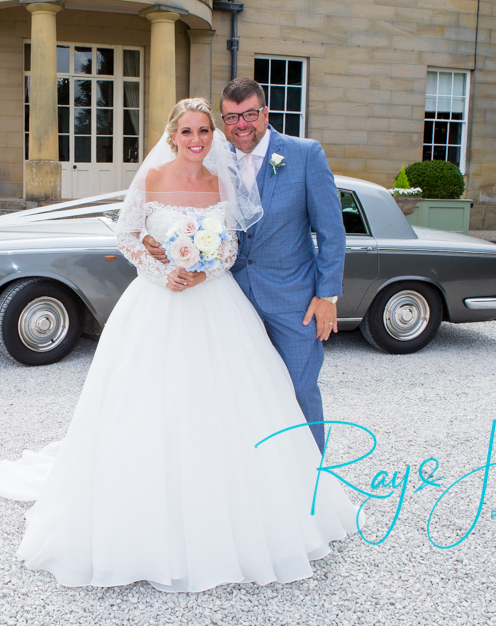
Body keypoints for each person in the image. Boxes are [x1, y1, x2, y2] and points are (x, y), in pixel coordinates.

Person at [0, 98, 359, 592]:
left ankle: (286, 499)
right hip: (158, 303)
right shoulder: (151, 179)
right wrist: (164, 270)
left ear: (216, 135)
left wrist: (205, 264)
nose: (197, 139)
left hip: (217, 301)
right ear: (171, 136)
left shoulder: (220, 180)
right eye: (187, 130)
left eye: (205, 130)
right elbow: (127, 236)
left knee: (247, 399)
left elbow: (230, 243)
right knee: (148, 404)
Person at [143, 80, 345, 453]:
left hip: (292, 301)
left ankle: (313, 478)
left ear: (265, 113)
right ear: (223, 121)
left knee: (299, 388)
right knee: (237, 396)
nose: (242, 124)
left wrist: (327, 294)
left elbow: (332, 231)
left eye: (250, 114)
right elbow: (174, 211)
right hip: (228, 299)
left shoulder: (304, 154)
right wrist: (152, 240)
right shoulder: (213, 162)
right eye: (233, 117)